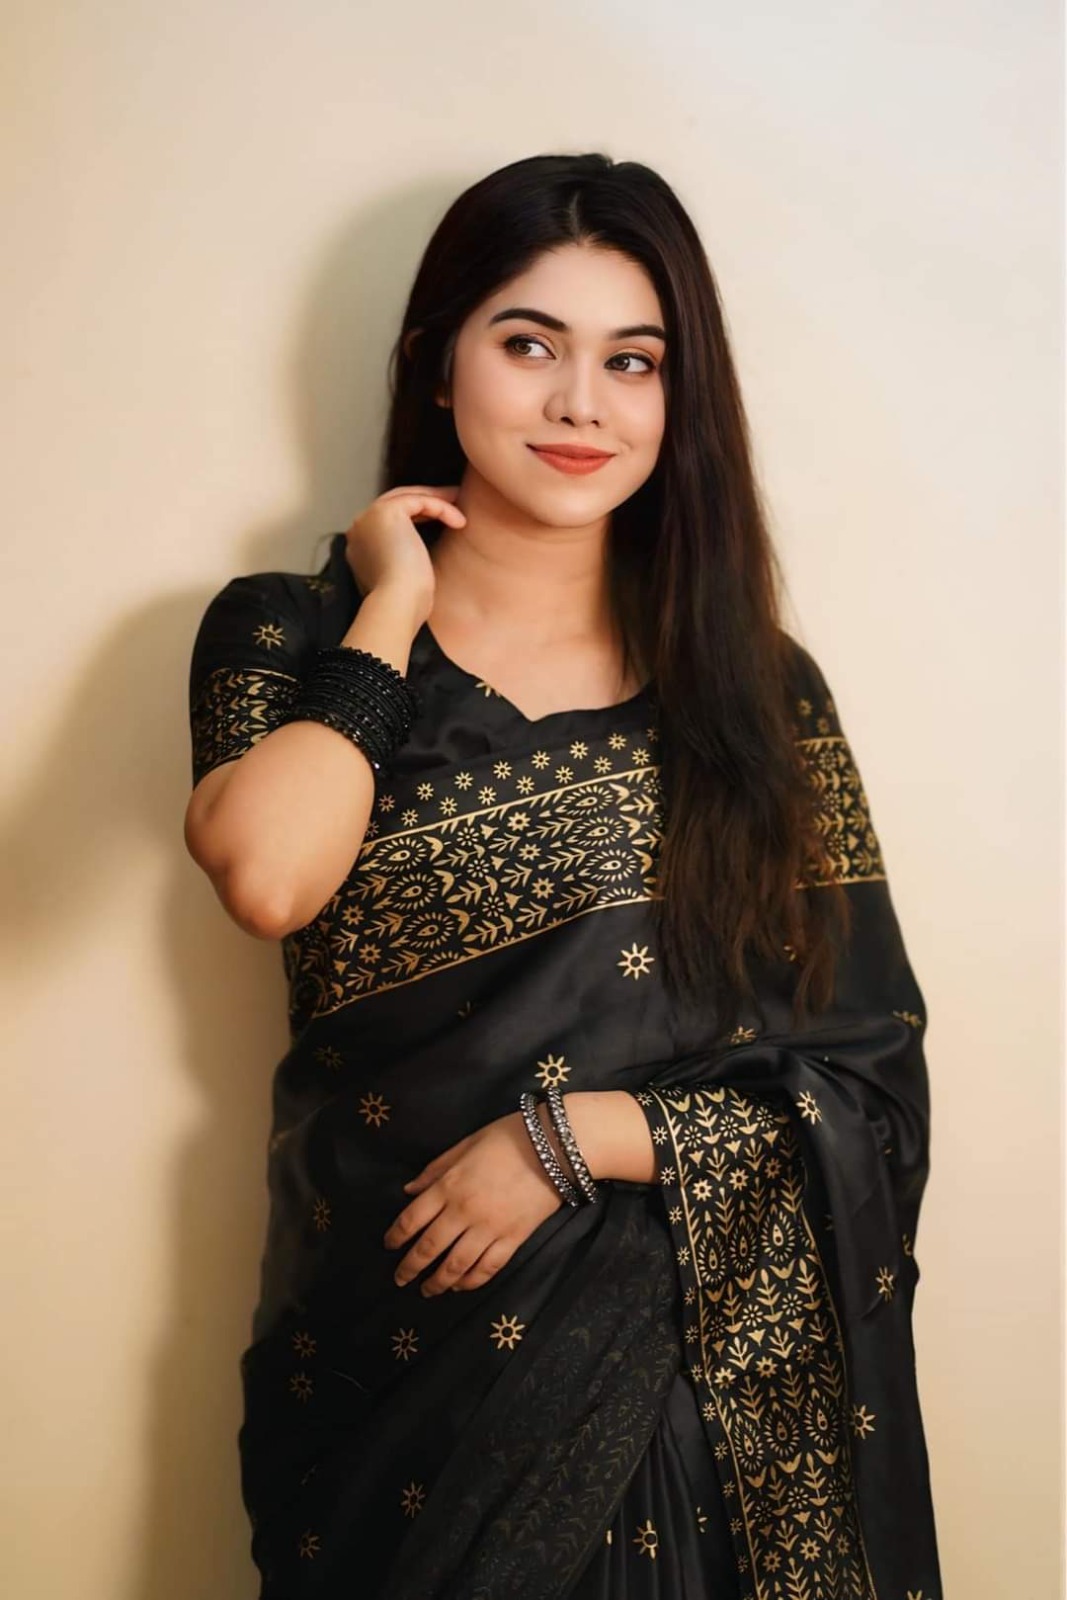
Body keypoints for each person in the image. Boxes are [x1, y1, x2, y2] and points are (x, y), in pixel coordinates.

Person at [184, 152, 942, 1600]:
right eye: (530, 345)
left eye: (632, 362)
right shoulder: (287, 633)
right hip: (387, 1357)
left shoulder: (756, 692)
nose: (582, 404)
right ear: (437, 362)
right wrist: (391, 612)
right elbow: (269, 879)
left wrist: (578, 1138)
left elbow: (868, 1079)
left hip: (680, 1379)